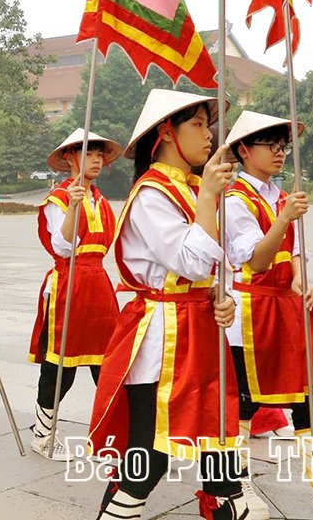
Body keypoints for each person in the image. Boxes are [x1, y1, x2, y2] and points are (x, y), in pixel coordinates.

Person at [89, 90, 245, 520]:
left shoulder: (196, 186)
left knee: (217, 433)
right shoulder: (151, 194)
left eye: (207, 124)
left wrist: (224, 297)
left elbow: (219, 264)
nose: (209, 134)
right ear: (167, 134)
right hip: (163, 333)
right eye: (197, 124)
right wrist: (211, 199)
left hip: (199, 326)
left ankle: (227, 505)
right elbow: (192, 263)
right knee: (149, 449)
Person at [223, 111, 313, 520]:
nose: (279, 152)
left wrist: (302, 278)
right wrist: (285, 218)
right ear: (243, 150)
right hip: (249, 316)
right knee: (244, 406)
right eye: (270, 144)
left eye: (283, 145)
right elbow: (256, 259)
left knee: (311, 400)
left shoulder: (281, 196)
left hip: (289, 309)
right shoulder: (235, 202)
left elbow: (298, 249)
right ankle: (236, 488)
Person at [27, 129, 121, 461]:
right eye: (89, 153)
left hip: (98, 284)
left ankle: (109, 435)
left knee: (107, 363)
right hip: (69, 283)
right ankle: (42, 434)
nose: (95, 160)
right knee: (60, 365)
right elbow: (61, 246)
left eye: (99, 155)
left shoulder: (102, 201)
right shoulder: (59, 198)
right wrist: (72, 208)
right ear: (70, 158)